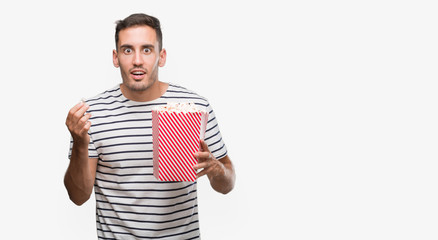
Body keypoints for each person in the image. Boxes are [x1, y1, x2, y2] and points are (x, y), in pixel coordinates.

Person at [64, 13, 235, 239]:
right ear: (115, 58)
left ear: (161, 57)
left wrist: (216, 168)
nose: (137, 60)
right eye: (127, 50)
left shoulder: (196, 107)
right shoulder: (92, 112)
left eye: (147, 49)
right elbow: (78, 196)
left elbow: (227, 184)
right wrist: (79, 144)